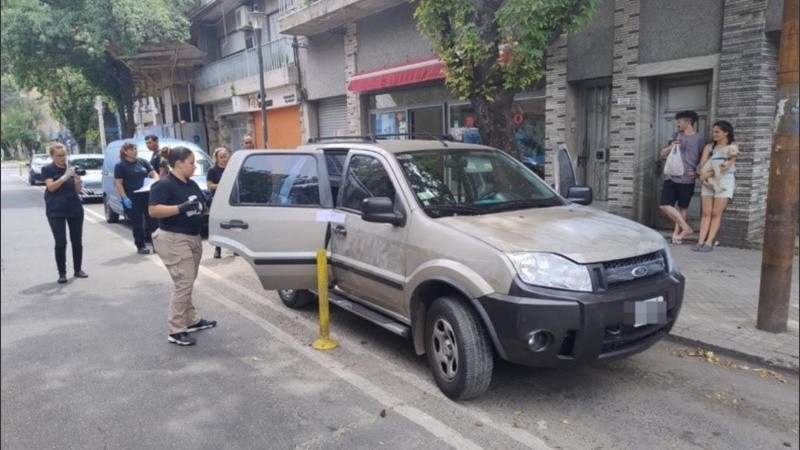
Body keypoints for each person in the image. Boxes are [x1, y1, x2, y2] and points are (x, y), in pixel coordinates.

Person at [149, 146, 217, 346]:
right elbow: (153, 210)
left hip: (192, 237)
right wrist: (180, 208)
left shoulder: (190, 184)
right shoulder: (164, 185)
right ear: (178, 163)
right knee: (183, 283)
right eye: (192, 162)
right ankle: (176, 330)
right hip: (173, 239)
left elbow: (204, 205)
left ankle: (192, 320)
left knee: (188, 281)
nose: (195, 166)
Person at [42, 142, 88, 284]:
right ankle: (62, 273)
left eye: (64, 155)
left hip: (74, 208)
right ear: (52, 156)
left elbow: (78, 191)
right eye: (59, 156)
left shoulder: (70, 168)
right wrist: (64, 177)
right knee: (61, 241)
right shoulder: (48, 169)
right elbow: (51, 188)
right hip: (56, 210)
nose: (62, 158)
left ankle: (78, 269)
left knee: (77, 240)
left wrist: (77, 179)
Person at [658, 110, 705, 244]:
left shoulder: (699, 138)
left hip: (687, 179)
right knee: (664, 205)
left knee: (683, 207)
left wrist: (697, 173)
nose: (677, 124)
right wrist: (672, 146)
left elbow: (704, 157)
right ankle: (686, 228)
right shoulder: (676, 135)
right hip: (672, 176)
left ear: (687, 122)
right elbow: (663, 153)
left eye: (679, 121)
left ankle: (677, 235)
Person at [693, 120, 738, 252]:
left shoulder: (732, 147)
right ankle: (700, 241)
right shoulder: (709, 147)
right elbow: (702, 164)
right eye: (713, 132)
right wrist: (705, 177)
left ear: (726, 132)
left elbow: (728, 165)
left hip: (725, 179)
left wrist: (707, 174)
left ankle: (709, 242)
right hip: (708, 180)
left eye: (717, 132)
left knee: (716, 212)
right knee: (706, 212)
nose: (714, 134)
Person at [114, 141, 159, 254]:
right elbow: (118, 182)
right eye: (132, 149)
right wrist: (124, 197)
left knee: (153, 221)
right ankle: (141, 245)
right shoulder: (120, 165)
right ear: (125, 151)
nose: (135, 151)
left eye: (135, 148)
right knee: (137, 222)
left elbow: (153, 173)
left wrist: (156, 180)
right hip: (132, 197)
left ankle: (157, 245)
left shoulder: (142, 162)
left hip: (147, 195)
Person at [206, 147, 230, 259]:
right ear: (217, 158)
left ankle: (234, 248)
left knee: (232, 223)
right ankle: (217, 249)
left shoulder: (231, 168)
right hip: (217, 199)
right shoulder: (212, 170)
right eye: (221, 157)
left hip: (230, 200)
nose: (224, 159)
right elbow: (209, 185)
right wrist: (222, 185)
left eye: (225, 156)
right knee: (218, 224)